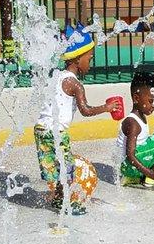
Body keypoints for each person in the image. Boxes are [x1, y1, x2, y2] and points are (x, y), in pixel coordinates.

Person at [34, 22, 121, 214]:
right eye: (89, 58)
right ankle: (66, 203)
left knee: (56, 167)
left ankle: (58, 198)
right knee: (67, 168)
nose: (90, 62)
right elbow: (86, 110)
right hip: (56, 131)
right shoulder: (75, 84)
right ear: (77, 59)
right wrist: (107, 108)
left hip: (41, 128)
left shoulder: (57, 75)